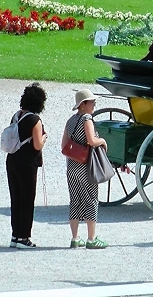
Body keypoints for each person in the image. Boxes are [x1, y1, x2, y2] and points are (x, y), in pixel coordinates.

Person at [63, 89, 108, 249]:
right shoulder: (87, 118)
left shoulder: (70, 121)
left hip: (72, 165)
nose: (94, 104)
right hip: (85, 165)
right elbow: (91, 140)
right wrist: (102, 140)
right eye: (91, 102)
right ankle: (91, 239)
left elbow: (64, 145)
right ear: (83, 105)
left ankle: (75, 238)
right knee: (91, 199)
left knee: (75, 200)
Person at [5, 83, 47, 249]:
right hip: (27, 163)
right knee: (27, 199)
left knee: (16, 199)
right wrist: (44, 138)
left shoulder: (16, 116)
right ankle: (24, 237)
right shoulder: (35, 120)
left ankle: (15, 235)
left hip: (12, 160)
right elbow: (37, 145)